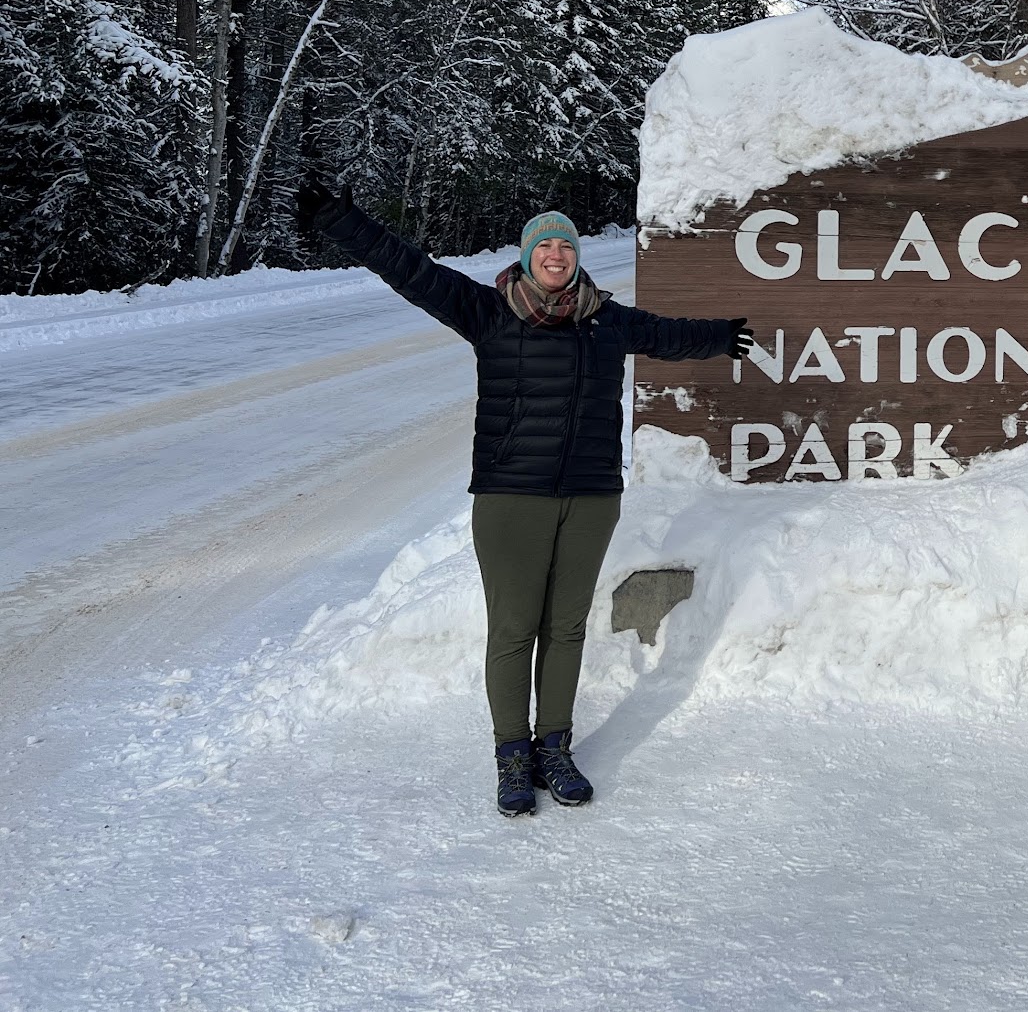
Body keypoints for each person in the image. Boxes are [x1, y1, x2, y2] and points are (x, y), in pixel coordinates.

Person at [299, 187, 754, 817]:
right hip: (511, 495)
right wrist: (342, 220)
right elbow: (411, 271)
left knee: (566, 628)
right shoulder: (487, 312)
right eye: (546, 245)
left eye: (567, 245)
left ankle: (555, 748)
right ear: (527, 255)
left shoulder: (606, 318)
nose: (557, 254)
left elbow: (668, 335)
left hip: (592, 495)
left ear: (577, 257)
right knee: (515, 629)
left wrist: (721, 337)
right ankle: (512, 756)